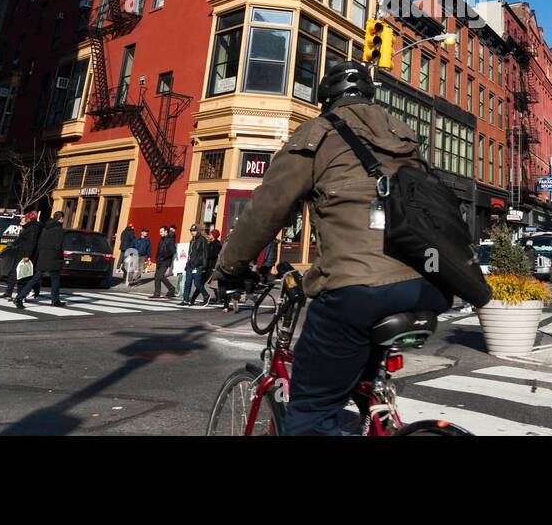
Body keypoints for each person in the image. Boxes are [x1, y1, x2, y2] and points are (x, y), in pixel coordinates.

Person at [214, 60, 451, 436]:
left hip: (358, 287)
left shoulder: (319, 132)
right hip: (426, 286)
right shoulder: (404, 136)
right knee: (362, 382)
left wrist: (229, 268)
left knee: (311, 410)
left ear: (326, 100)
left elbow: (268, 207)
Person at [16, 210, 66, 308]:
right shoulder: (59, 229)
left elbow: (40, 242)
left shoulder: (45, 228)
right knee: (55, 279)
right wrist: (60, 256)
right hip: (54, 257)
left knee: (35, 278)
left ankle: (20, 297)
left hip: (43, 256)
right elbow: (58, 245)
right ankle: (55, 300)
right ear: (61, 219)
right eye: (63, 218)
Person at [2, 212, 42, 301]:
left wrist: (27, 255)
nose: (24, 219)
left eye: (26, 218)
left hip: (25, 255)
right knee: (19, 274)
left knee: (23, 275)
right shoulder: (30, 227)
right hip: (23, 253)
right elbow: (23, 240)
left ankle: (21, 295)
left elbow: (31, 243)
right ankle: (18, 294)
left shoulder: (33, 228)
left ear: (29, 218)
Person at [181, 225, 210, 306]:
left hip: (198, 266)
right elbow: (190, 253)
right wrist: (187, 264)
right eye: (191, 231)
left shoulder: (203, 240)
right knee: (187, 283)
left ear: (198, 231)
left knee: (197, 283)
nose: (192, 232)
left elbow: (205, 254)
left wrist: (203, 266)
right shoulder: (192, 240)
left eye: (194, 231)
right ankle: (185, 300)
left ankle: (206, 295)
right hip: (190, 266)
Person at [153, 226, 177, 299]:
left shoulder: (170, 239)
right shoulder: (162, 239)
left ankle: (172, 289)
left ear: (166, 231)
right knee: (156, 276)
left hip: (165, 261)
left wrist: (164, 257)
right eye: (160, 232)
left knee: (160, 275)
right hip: (159, 260)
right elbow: (159, 249)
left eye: (161, 232)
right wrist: (157, 258)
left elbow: (173, 251)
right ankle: (157, 293)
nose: (160, 233)